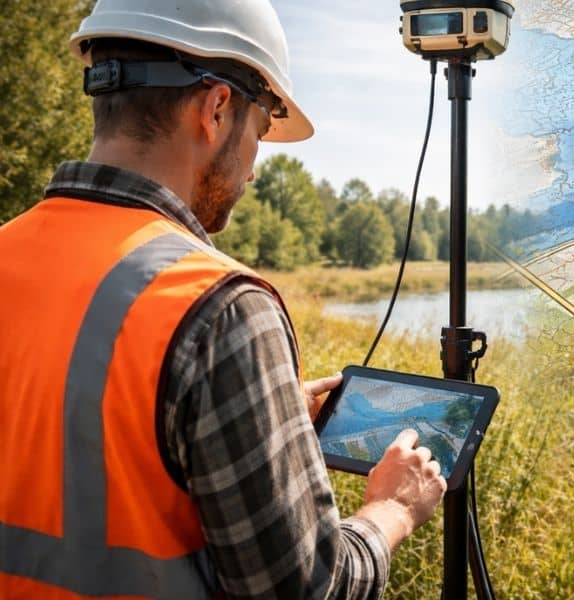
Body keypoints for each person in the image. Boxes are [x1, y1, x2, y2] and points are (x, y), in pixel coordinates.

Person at [0, 1, 446, 598]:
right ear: (215, 109)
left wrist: (243, 419)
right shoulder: (221, 308)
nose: (254, 170)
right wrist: (393, 508)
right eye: (260, 131)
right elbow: (304, 589)